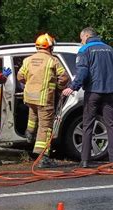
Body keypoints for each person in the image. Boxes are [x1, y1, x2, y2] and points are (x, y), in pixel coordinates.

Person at [62, 27, 113, 168]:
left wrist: (72, 87)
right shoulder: (110, 50)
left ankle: (85, 161)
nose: (81, 41)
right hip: (108, 94)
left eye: (81, 38)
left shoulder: (85, 50)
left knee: (88, 125)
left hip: (93, 93)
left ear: (87, 36)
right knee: (111, 126)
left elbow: (82, 72)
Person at [17, 33, 69, 168]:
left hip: (29, 98)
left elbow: (20, 77)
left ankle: (29, 132)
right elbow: (64, 78)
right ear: (50, 46)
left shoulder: (28, 60)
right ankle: (42, 157)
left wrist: (30, 82)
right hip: (44, 98)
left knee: (33, 114)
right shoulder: (53, 60)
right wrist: (59, 87)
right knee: (45, 127)